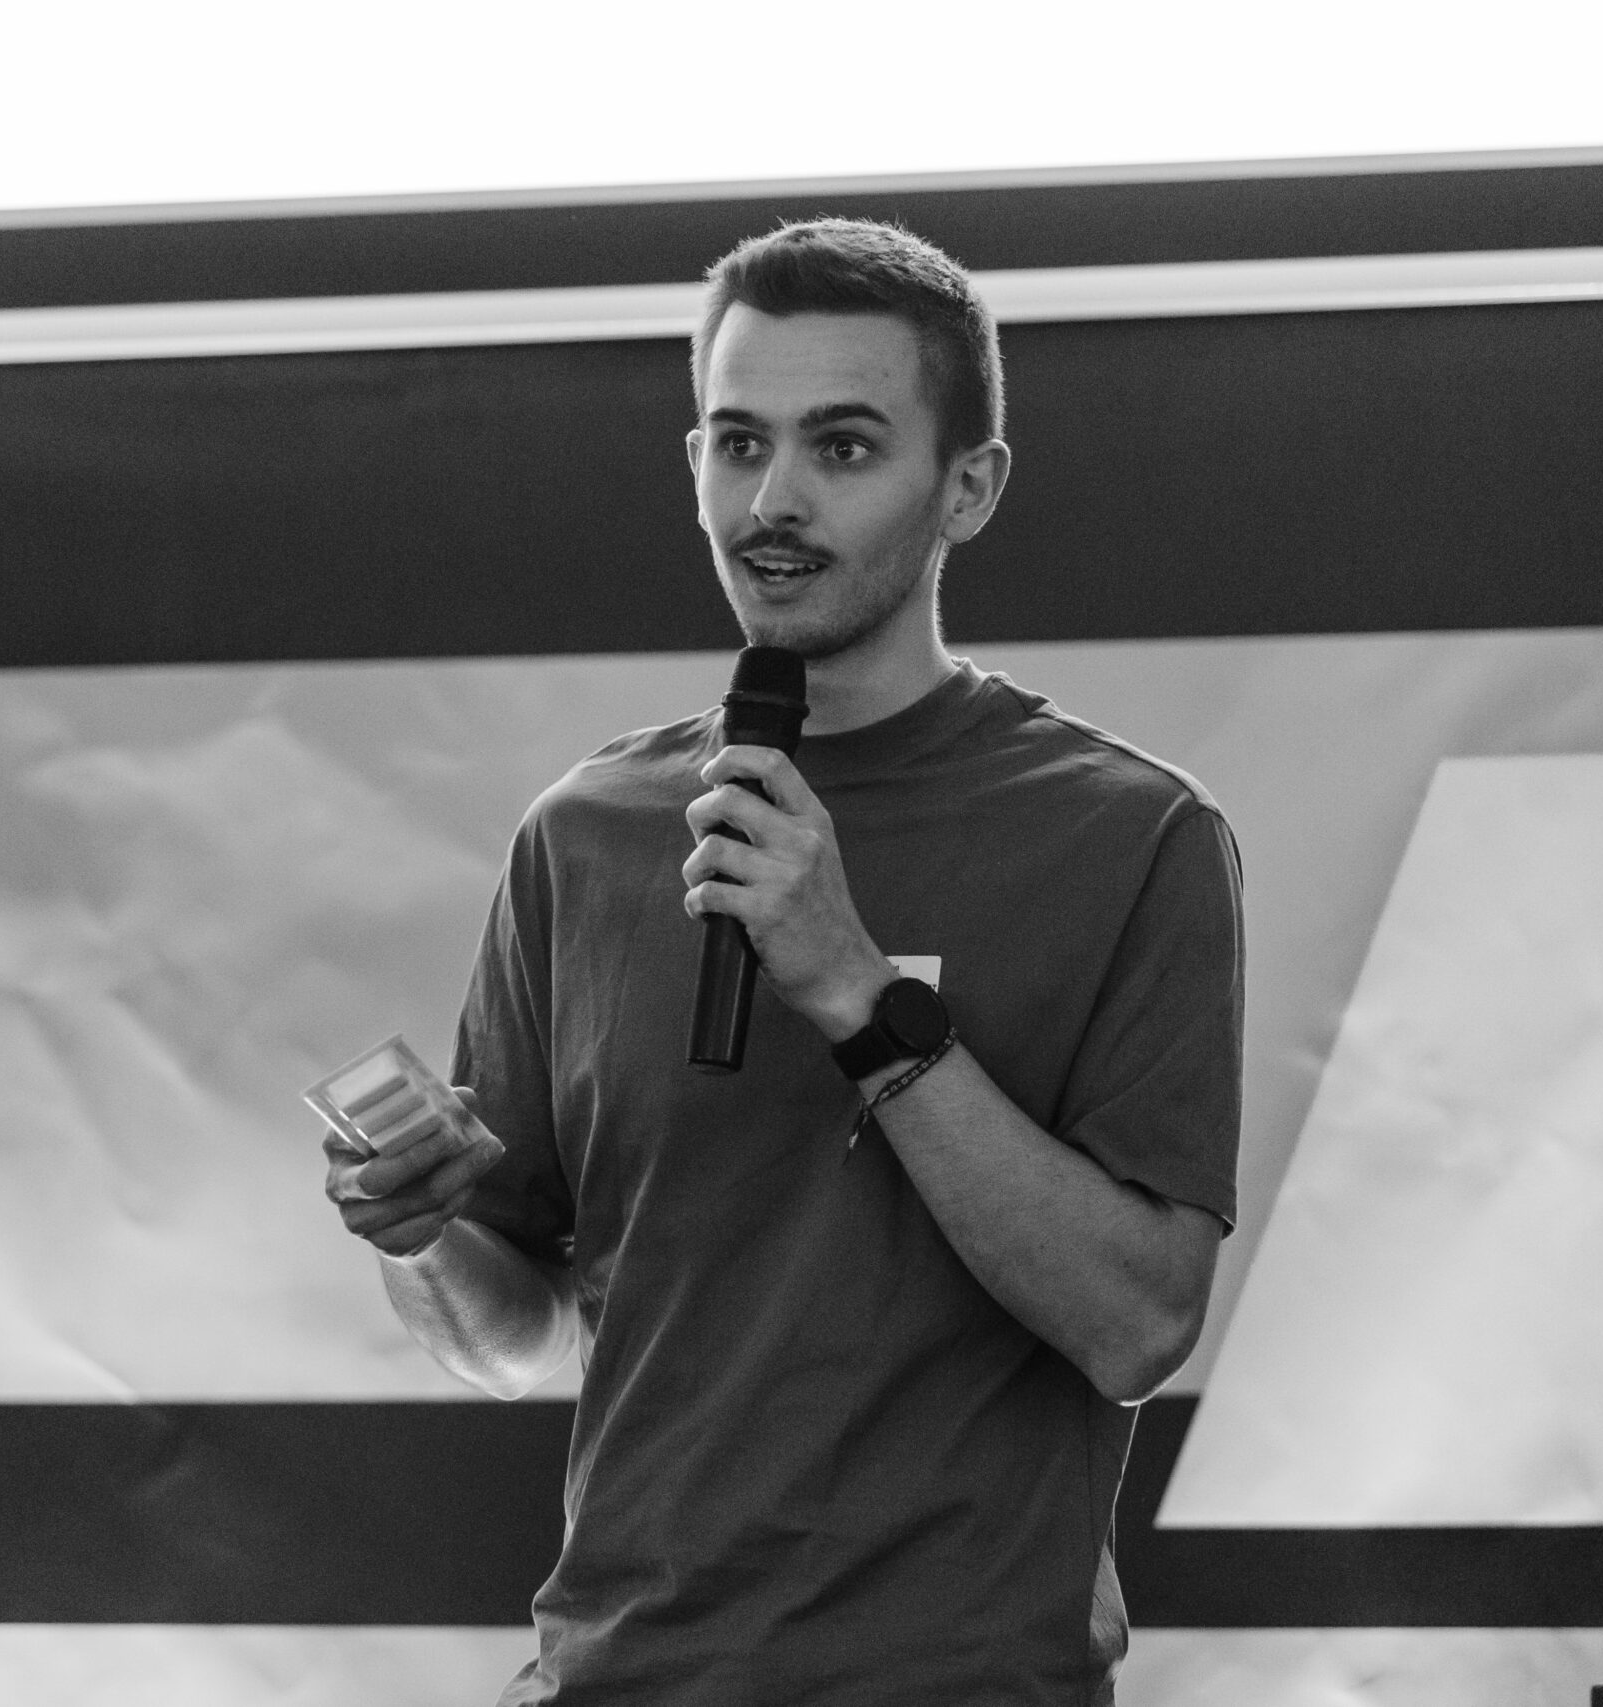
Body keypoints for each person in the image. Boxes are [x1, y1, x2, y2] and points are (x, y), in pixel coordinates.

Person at [323, 217, 1243, 1706]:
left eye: (844, 447)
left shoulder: (1131, 836)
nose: (775, 502)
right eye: (741, 444)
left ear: (969, 488)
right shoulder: (587, 834)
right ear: (694, 461)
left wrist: (858, 996)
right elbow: (516, 1342)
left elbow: (1138, 1325)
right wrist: (423, 1238)